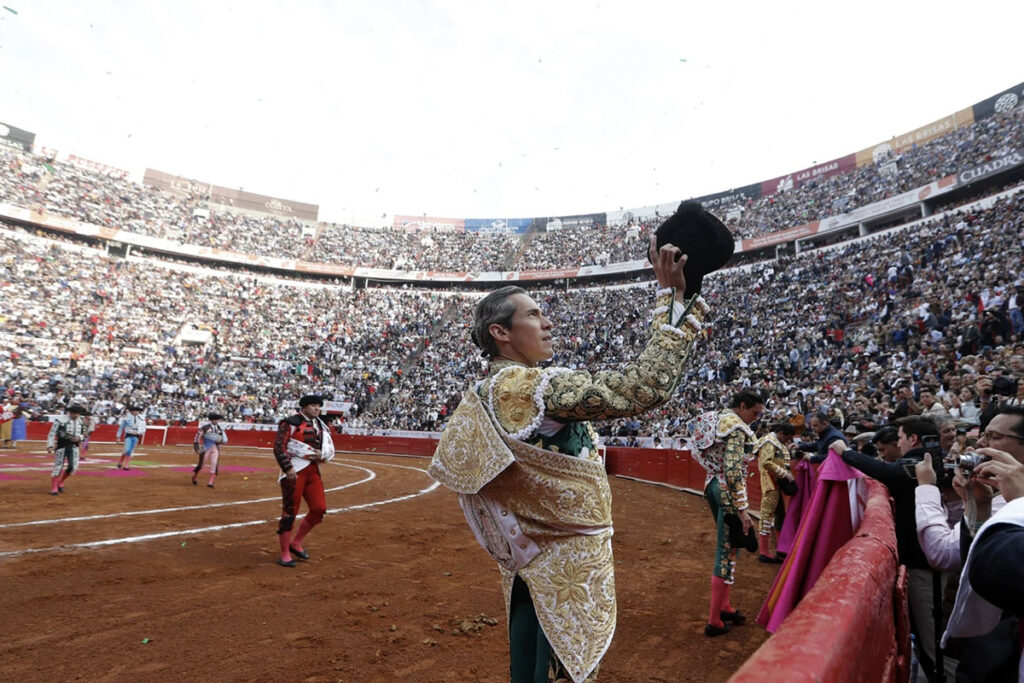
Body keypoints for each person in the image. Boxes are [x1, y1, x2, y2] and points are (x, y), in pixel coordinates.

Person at [429, 234, 712, 682]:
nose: (548, 323)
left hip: (526, 555)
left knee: (529, 660)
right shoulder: (532, 387)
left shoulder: (484, 393)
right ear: (500, 333)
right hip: (566, 558)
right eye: (534, 315)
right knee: (564, 665)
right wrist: (672, 301)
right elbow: (642, 387)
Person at [695, 389, 764, 636]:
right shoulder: (736, 428)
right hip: (727, 492)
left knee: (730, 545)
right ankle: (714, 620)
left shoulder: (711, 418)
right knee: (725, 551)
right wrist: (743, 511)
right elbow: (734, 473)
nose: (756, 418)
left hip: (711, 484)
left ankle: (724, 606)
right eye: (754, 412)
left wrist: (714, 472)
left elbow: (697, 452)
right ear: (743, 405)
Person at [274, 394, 333, 568]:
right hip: (294, 472)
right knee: (290, 512)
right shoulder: (290, 423)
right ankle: (284, 552)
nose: (317, 408)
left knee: (319, 508)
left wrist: (323, 455)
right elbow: (279, 446)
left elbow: (327, 448)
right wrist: (287, 468)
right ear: (304, 407)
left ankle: (296, 542)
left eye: (319, 406)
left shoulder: (320, 426)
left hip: (313, 471)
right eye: (314, 405)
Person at [755, 421, 794, 563]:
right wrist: (784, 473)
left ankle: (781, 549)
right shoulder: (770, 442)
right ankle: (764, 552)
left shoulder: (775, 442)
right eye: (787, 438)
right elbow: (766, 462)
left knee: (779, 514)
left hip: (775, 482)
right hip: (770, 482)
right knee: (767, 514)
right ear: (781, 433)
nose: (787, 441)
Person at [47, 404, 88, 495]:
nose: (76, 415)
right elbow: (52, 433)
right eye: (74, 413)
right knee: (58, 466)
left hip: (74, 446)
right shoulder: (60, 420)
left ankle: (60, 481)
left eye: (78, 413)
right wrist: (50, 445)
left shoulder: (82, 422)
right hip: (62, 445)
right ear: (70, 412)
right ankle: (54, 488)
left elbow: (85, 435)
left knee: (72, 467)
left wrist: (79, 438)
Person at [192, 412, 228, 487]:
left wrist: (220, 441)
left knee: (214, 464)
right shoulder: (205, 428)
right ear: (211, 420)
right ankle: (194, 477)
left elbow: (223, 440)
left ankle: (210, 482)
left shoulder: (219, 429)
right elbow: (197, 437)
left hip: (215, 448)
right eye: (214, 419)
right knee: (201, 465)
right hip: (206, 448)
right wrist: (196, 448)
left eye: (217, 419)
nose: (216, 421)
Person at [116, 405, 146, 470]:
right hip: (128, 435)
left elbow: (143, 428)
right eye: (134, 411)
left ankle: (126, 465)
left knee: (130, 450)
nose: (136, 412)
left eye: (137, 411)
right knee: (127, 449)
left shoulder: (141, 419)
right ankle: (121, 462)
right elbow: (121, 428)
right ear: (131, 412)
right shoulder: (126, 418)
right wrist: (118, 437)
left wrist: (139, 432)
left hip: (136, 435)